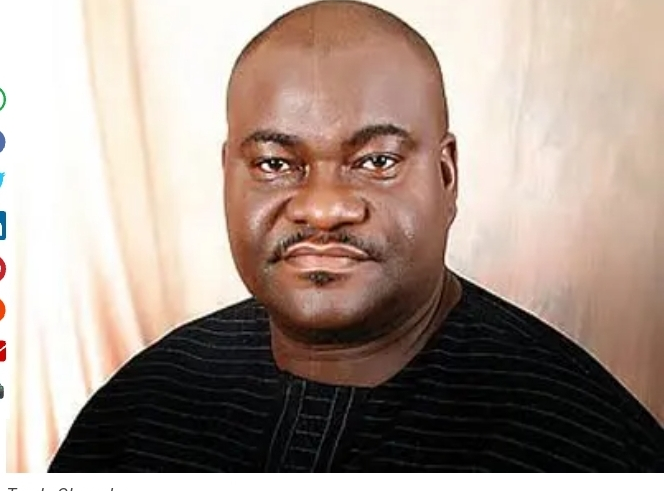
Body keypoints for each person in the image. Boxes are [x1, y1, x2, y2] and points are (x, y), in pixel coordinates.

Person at [49, 0, 664, 472]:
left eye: (376, 161)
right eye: (275, 163)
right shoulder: (140, 408)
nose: (322, 210)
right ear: (227, 175)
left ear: (446, 177)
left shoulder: (589, 448)